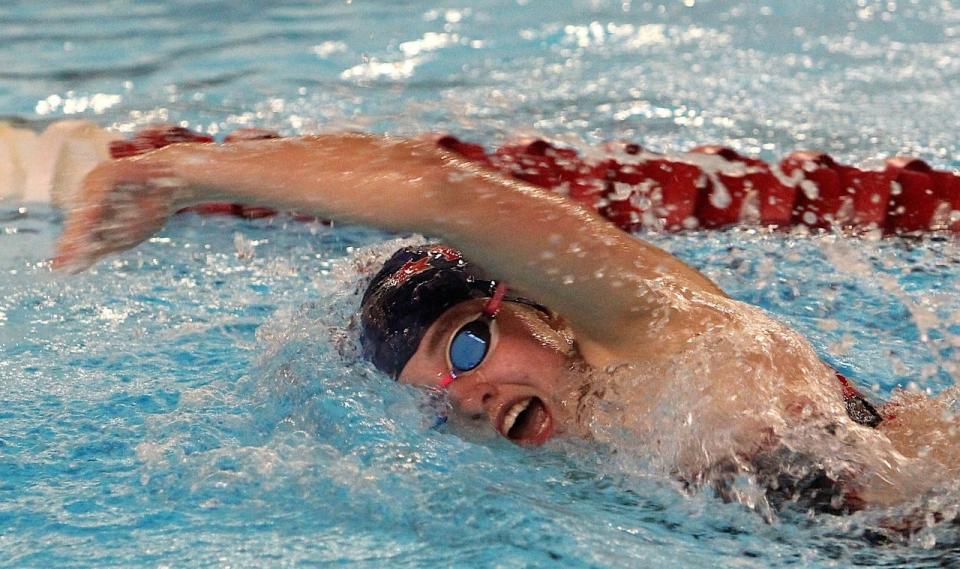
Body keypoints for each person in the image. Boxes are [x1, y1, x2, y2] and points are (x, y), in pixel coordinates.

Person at [54, 132, 960, 514]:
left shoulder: (645, 326)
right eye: (442, 398)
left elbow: (434, 187)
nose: (472, 395)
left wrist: (179, 173)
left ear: (533, 302)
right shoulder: (609, 449)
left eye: (469, 345)